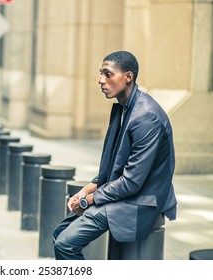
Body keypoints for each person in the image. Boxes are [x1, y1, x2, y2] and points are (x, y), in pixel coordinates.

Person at [53, 50, 177, 260]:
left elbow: (131, 182)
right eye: (100, 73)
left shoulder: (145, 117)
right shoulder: (125, 108)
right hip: (123, 196)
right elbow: (115, 165)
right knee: (59, 234)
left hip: (139, 201)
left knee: (65, 244)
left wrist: (87, 201)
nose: (100, 80)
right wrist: (87, 189)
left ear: (128, 77)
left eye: (107, 74)